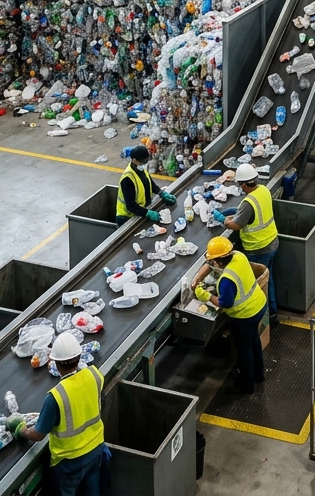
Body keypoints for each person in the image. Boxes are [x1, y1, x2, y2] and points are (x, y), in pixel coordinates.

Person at [7, 332, 108, 496]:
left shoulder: (56, 397)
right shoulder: (94, 375)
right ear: (79, 356)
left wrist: (22, 430)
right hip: (95, 450)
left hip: (69, 462)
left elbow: (39, 434)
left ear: (55, 363)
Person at [194, 236, 267, 394]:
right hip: (259, 304)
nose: (213, 263)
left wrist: (205, 295)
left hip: (245, 316)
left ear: (220, 261)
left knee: (244, 349)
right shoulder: (239, 256)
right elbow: (210, 264)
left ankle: (247, 386)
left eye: (214, 260)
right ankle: (259, 375)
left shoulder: (227, 280)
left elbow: (225, 303)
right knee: (254, 340)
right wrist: (198, 277)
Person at [213, 164, 279, 321]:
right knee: (267, 279)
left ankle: (262, 318)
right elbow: (252, 212)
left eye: (240, 184)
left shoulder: (248, 203)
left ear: (243, 184)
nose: (240, 188)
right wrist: (236, 211)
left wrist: (223, 219)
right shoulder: (263, 190)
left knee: (255, 284)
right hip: (272, 242)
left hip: (258, 248)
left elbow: (236, 225)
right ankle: (273, 312)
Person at [115, 145, 176, 222]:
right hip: (127, 218)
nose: (145, 164)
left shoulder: (141, 168)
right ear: (134, 160)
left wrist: (161, 193)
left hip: (139, 212)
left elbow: (150, 183)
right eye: (143, 162)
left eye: (147, 160)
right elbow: (130, 206)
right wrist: (147, 213)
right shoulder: (127, 178)